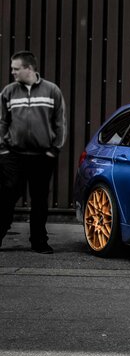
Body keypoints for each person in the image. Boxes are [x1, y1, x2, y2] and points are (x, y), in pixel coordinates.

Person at [0, 51, 66, 253]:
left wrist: (54, 150)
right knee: (6, 197)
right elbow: (2, 122)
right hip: (14, 156)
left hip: (42, 156)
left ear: (29, 68)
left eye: (15, 69)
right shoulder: (8, 92)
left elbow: (60, 123)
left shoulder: (51, 91)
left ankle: (39, 242)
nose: (12, 72)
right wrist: (3, 150)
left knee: (39, 201)